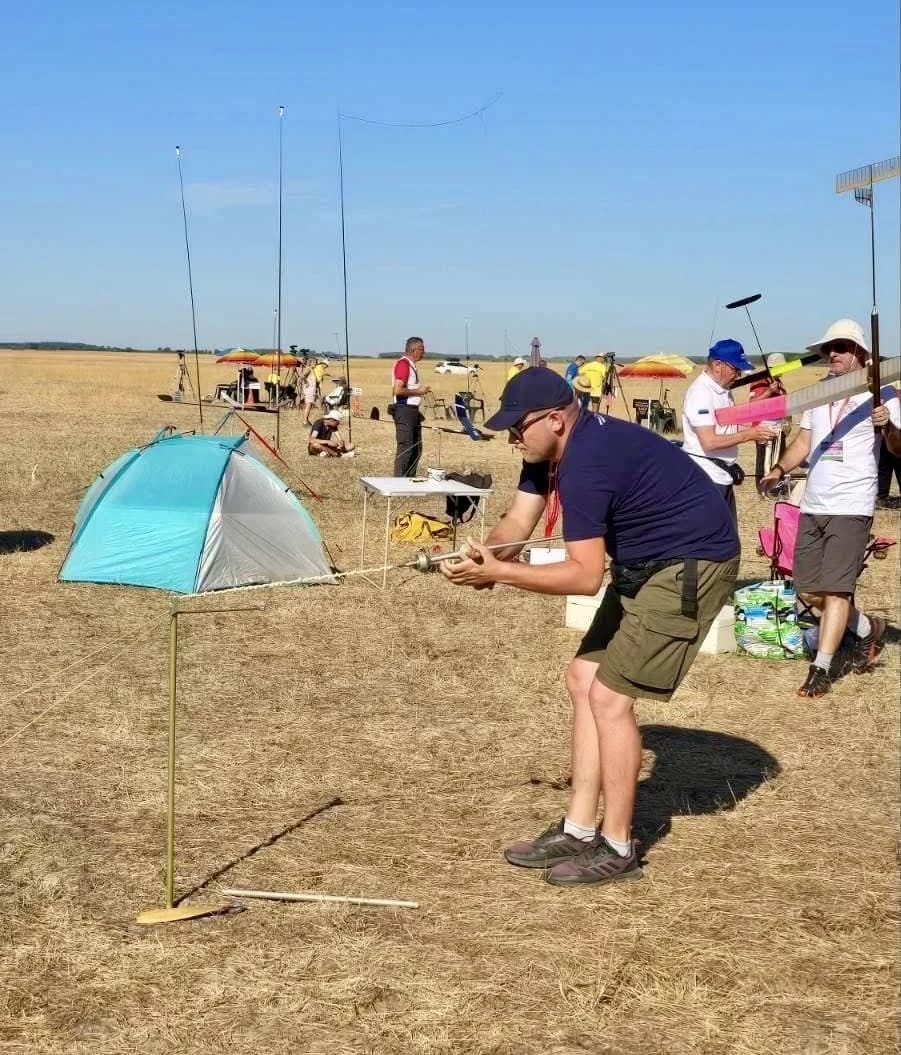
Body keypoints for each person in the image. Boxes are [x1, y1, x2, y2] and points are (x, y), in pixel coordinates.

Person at [443, 367, 740, 887]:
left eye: (518, 427)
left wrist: (501, 573)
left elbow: (583, 577)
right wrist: (486, 554)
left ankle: (619, 846)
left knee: (609, 698)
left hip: (691, 564)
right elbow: (517, 521)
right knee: (582, 679)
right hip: (646, 562)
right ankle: (579, 829)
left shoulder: (585, 463)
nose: (512, 437)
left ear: (556, 419)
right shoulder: (545, 453)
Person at [758, 319, 901, 697]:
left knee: (837, 591)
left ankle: (821, 668)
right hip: (814, 501)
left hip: (852, 502)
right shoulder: (819, 393)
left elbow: (898, 449)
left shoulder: (881, 392)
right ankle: (869, 629)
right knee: (808, 589)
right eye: (828, 348)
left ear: (860, 353)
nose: (832, 354)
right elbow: (805, 440)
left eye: (840, 347)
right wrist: (777, 470)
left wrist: (887, 426)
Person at [681, 339, 778, 521]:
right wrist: (749, 434)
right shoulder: (701, 393)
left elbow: (728, 427)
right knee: (712, 543)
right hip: (706, 479)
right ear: (717, 365)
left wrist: (759, 429)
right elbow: (709, 441)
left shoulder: (723, 390)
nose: (739, 375)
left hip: (722, 476)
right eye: (735, 369)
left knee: (728, 543)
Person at [391, 336, 431, 477]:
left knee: (416, 448)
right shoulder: (403, 365)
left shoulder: (411, 365)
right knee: (406, 447)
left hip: (412, 411)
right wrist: (419, 391)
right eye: (422, 349)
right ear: (413, 350)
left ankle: (409, 480)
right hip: (404, 410)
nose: (423, 352)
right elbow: (398, 390)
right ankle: (399, 482)